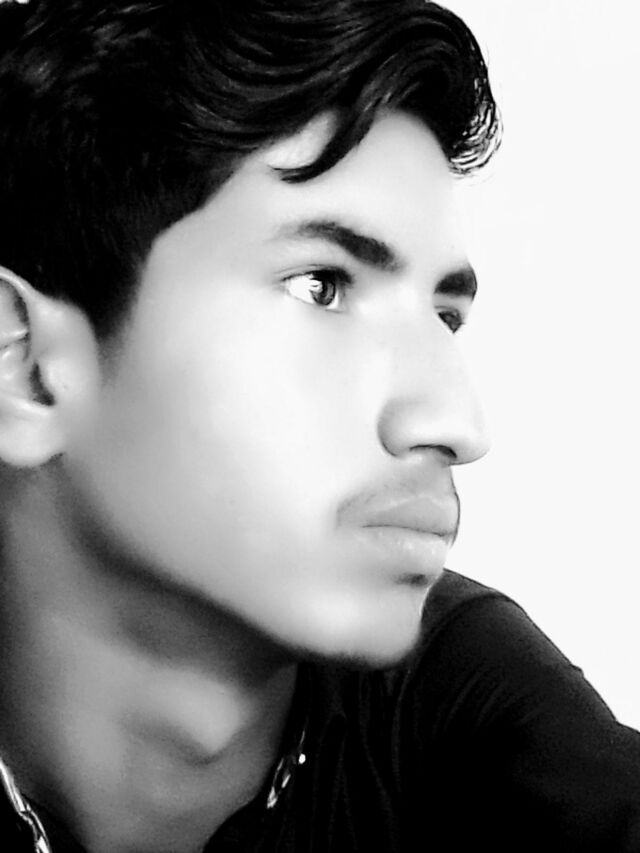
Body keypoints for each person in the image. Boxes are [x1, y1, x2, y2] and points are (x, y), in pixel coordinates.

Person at [0, 0, 638, 851]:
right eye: (321, 286)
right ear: (25, 367)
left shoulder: (469, 706)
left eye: (444, 317)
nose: (456, 422)